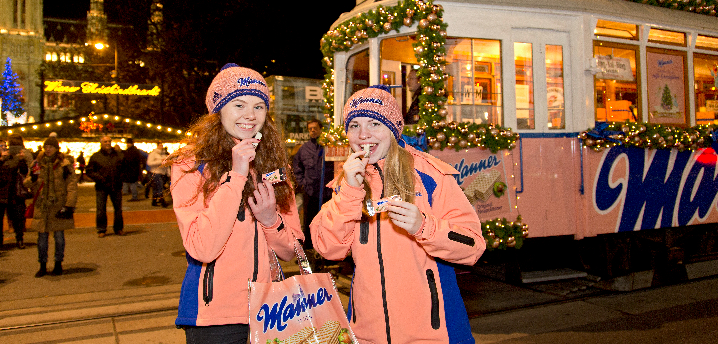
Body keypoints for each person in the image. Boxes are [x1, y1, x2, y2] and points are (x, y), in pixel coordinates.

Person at [310, 85, 486, 343]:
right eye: (354, 125)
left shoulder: (430, 175)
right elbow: (328, 248)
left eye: (374, 124)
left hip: (432, 334)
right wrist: (349, 191)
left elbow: (473, 245)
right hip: (367, 334)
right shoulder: (346, 180)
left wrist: (424, 227)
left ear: (392, 130)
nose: (363, 135)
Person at [167, 63, 304, 344]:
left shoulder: (275, 166)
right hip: (214, 317)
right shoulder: (190, 165)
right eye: (238, 105)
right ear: (218, 111)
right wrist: (237, 175)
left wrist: (270, 221)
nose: (250, 116)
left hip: (272, 311)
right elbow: (202, 247)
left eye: (259, 107)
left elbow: (293, 250)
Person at [30, 136, 78, 277]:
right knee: (42, 239)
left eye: (51, 147)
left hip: (58, 205)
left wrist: (69, 205)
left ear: (56, 149)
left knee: (59, 237)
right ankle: (42, 265)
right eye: (46, 147)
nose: (48, 149)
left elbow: (71, 185)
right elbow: (28, 182)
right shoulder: (38, 163)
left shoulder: (64, 164)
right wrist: (32, 179)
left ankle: (58, 263)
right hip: (43, 205)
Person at [291, 119, 333, 249]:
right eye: (310, 129)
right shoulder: (304, 149)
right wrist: (302, 182)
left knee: (326, 220)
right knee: (309, 220)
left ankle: (325, 246)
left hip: (326, 192)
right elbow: (297, 167)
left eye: (315, 128)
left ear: (320, 129)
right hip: (310, 191)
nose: (312, 131)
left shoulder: (328, 146)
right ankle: (309, 247)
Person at [0, 135, 32, 250]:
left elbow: (24, 171)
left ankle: (19, 239)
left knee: (18, 216)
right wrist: (2, 159)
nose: (4, 148)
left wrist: (22, 160)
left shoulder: (17, 156)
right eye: (1, 146)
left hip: (14, 191)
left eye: (5, 145)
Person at [85, 135, 123, 237]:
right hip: (102, 186)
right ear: (101, 143)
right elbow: (89, 171)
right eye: (105, 141)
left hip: (116, 185)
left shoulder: (118, 155)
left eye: (109, 141)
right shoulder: (96, 156)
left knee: (118, 209)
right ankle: (101, 229)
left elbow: (124, 168)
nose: (107, 143)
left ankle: (118, 228)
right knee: (101, 209)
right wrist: (99, 178)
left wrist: (120, 178)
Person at [146, 141, 169, 207]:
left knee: (156, 187)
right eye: (160, 145)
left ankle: (154, 201)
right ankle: (162, 201)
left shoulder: (163, 154)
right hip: (156, 172)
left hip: (162, 172)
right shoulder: (153, 154)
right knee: (159, 187)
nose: (161, 146)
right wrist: (160, 161)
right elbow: (149, 163)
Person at [121, 138, 143, 202]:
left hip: (131, 170)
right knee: (133, 183)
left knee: (132, 184)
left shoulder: (130, 151)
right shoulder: (135, 150)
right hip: (134, 170)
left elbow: (128, 161)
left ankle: (134, 196)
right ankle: (137, 192)